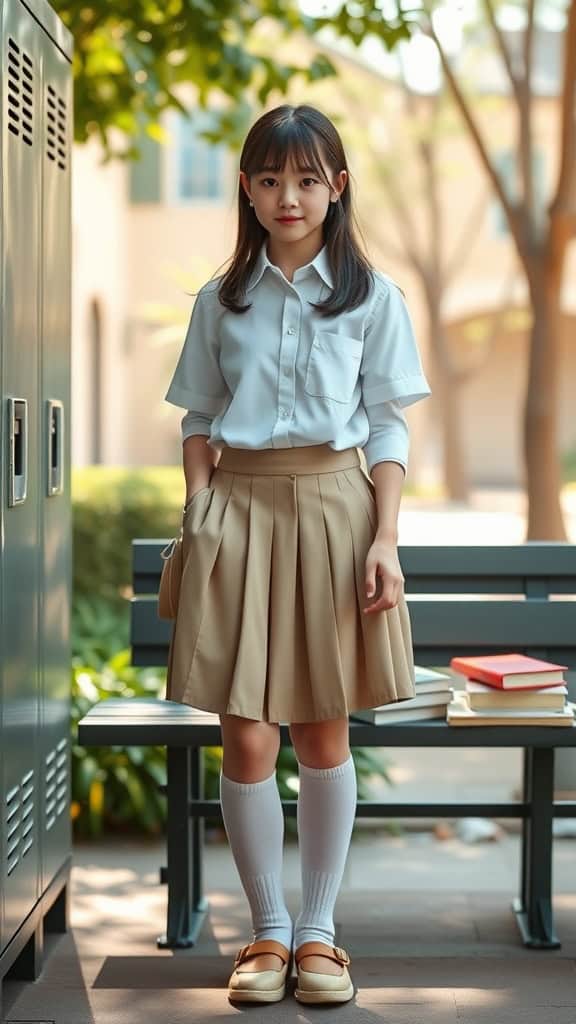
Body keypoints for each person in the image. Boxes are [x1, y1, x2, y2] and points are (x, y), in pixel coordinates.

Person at [163, 103, 431, 1006]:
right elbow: (199, 420)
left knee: (321, 726)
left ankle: (319, 935)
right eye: (271, 179)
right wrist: (202, 513)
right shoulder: (220, 299)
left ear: (337, 188)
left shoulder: (373, 297)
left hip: (335, 509)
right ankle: (266, 932)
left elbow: (387, 427)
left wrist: (385, 539)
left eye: (309, 179)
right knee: (244, 732)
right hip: (237, 509)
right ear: (247, 186)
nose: (290, 196)